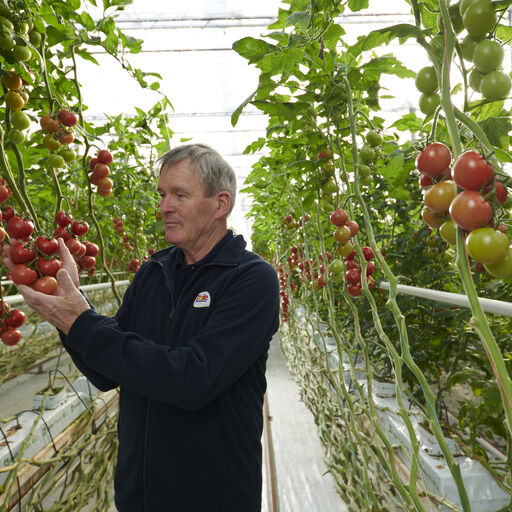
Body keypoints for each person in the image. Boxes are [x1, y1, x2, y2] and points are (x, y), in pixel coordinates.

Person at [4, 143, 280, 512]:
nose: (165, 206)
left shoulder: (251, 280)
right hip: (139, 495)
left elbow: (193, 378)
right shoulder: (155, 271)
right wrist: (66, 314)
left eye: (180, 195)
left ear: (220, 204)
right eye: (163, 194)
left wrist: (81, 322)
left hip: (212, 497)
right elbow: (106, 373)